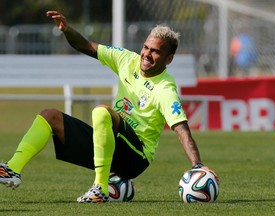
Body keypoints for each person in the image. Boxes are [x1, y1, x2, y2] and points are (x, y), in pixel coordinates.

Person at [0, 11, 218, 203]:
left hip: (136, 157)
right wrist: (67, 29)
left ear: (168, 59)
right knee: (49, 116)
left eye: (156, 51)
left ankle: (100, 189)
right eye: (146, 47)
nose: (147, 54)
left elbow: (181, 129)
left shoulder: (165, 89)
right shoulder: (126, 60)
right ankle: (12, 169)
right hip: (110, 143)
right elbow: (85, 46)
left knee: (102, 112)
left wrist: (197, 165)